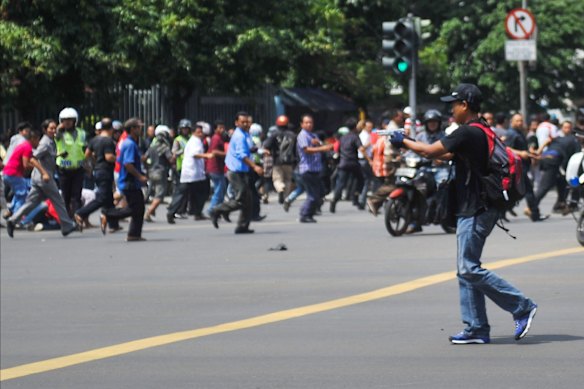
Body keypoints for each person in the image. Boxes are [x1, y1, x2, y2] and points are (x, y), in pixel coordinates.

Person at [389, 83, 538, 344]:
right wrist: (411, 147)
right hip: (476, 206)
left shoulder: (467, 132)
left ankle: (521, 306)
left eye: (454, 105)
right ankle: (476, 328)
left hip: (477, 208)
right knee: (465, 269)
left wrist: (403, 140)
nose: (451, 110)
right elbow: (442, 157)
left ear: (465, 105)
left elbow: (431, 150)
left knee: (468, 267)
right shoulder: (480, 130)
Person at [6, 124, 81, 238]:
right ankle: (66, 225)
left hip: (38, 178)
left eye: (54, 128)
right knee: (58, 200)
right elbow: (33, 157)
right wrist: (44, 173)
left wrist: (58, 155)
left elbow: (46, 156)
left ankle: (12, 220)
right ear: (45, 130)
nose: (53, 130)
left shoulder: (50, 142)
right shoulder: (45, 143)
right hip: (44, 178)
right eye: (50, 128)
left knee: (31, 202)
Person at [210, 112, 264, 233]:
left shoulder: (246, 134)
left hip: (243, 171)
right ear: (236, 123)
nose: (246, 124)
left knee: (248, 200)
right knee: (241, 200)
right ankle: (217, 210)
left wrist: (259, 150)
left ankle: (242, 226)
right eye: (243, 122)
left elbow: (249, 149)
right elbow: (242, 155)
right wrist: (255, 167)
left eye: (247, 122)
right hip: (235, 172)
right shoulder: (239, 135)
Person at [73, 118, 124, 231]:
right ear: (111, 129)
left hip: (98, 170)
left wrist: (91, 165)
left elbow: (86, 155)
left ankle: (113, 224)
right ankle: (81, 213)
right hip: (105, 171)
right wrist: (121, 159)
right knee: (101, 198)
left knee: (109, 199)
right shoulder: (108, 141)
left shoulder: (94, 140)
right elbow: (109, 157)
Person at [530, 120, 581, 218]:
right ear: (562, 128)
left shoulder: (567, 139)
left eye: (569, 127)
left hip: (554, 163)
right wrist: (539, 152)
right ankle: (531, 207)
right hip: (552, 161)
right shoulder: (568, 139)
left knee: (562, 183)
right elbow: (576, 157)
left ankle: (560, 204)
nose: (567, 129)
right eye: (565, 127)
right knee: (545, 186)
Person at [166, 124, 212, 222]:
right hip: (191, 173)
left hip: (196, 173)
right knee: (183, 193)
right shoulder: (194, 141)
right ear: (194, 132)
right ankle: (172, 212)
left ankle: (197, 212)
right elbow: (195, 154)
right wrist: (206, 156)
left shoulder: (196, 141)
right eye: (198, 132)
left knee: (198, 193)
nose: (201, 134)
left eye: (201, 132)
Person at [296, 114, 334, 223]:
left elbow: (321, 144)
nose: (309, 125)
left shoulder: (312, 135)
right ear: (302, 124)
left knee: (319, 192)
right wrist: (322, 148)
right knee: (313, 194)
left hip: (315, 168)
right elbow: (306, 150)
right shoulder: (303, 135)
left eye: (310, 122)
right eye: (306, 122)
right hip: (307, 168)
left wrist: (321, 144)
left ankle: (306, 212)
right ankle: (305, 214)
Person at [329, 118, 371, 213]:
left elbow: (338, 150)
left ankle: (334, 200)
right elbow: (361, 149)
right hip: (353, 163)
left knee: (340, 184)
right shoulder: (355, 136)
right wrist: (369, 159)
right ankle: (355, 197)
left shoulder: (343, 137)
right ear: (355, 126)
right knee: (361, 180)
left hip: (343, 163)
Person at [116, 118, 148, 241]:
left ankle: (134, 234)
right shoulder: (129, 144)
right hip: (130, 181)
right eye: (138, 127)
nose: (140, 129)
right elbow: (128, 164)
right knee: (135, 208)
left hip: (131, 181)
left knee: (137, 208)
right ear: (132, 129)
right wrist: (140, 176)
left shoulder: (132, 143)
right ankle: (108, 215)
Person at [504, 113, 540, 221]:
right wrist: (520, 153)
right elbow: (506, 148)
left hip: (522, 166)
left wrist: (531, 154)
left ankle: (502, 210)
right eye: (517, 121)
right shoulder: (511, 134)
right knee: (528, 190)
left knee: (518, 192)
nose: (520, 123)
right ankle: (535, 213)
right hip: (516, 166)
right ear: (512, 122)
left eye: (521, 121)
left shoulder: (519, 133)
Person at [55, 107, 87, 217]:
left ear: (75, 121)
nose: (67, 122)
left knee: (76, 195)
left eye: (70, 120)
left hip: (78, 168)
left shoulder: (82, 133)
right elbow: (56, 137)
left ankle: (77, 217)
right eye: (64, 120)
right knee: (66, 196)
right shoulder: (59, 134)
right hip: (63, 169)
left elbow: (85, 148)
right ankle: (67, 219)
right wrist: (59, 130)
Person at [263, 115, 297, 204]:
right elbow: (296, 149)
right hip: (289, 161)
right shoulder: (293, 135)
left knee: (277, 179)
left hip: (277, 160)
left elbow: (266, 145)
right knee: (288, 179)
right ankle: (285, 196)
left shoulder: (274, 134)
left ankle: (280, 188)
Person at [2, 122, 34, 215]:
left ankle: (11, 210)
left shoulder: (14, 139)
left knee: (18, 192)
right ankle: (16, 216)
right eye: (26, 131)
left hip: (7, 169)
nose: (28, 133)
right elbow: (26, 163)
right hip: (14, 171)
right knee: (22, 194)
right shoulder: (24, 143)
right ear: (20, 131)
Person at [144, 125, 174, 222]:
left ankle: (152, 209)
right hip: (161, 172)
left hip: (151, 171)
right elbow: (170, 159)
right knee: (160, 195)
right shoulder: (165, 147)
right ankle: (149, 212)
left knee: (153, 191)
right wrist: (176, 155)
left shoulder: (152, 147)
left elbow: (144, 158)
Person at [205, 120, 228, 216]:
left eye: (223, 127)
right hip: (214, 168)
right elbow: (214, 151)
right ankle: (211, 210)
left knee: (221, 189)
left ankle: (218, 209)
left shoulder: (219, 138)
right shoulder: (216, 138)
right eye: (220, 128)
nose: (222, 129)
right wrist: (227, 154)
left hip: (218, 167)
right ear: (215, 129)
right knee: (219, 190)